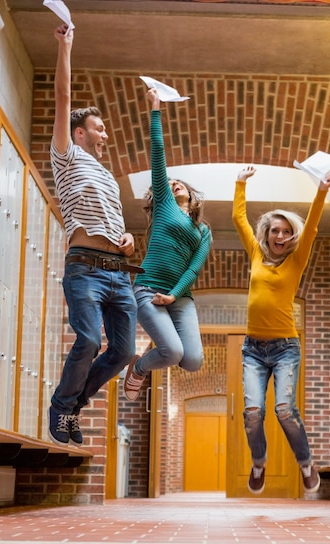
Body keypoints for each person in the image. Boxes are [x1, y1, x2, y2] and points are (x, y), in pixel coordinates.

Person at [48, 24, 139, 445]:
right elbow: (63, 98)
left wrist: (127, 239)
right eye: (98, 129)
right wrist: (66, 47)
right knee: (87, 338)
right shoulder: (67, 159)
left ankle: (73, 405)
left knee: (122, 351)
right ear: (80, 133)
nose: (105, 134)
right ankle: (62, 408)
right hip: (84, 269)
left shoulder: (105, 174)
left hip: (118, 272)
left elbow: (112, 219)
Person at [233, 164, 330, 495]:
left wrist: (321, 190)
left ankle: (306, 464)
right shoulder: (255, 254)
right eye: (275, 231)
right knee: (252, 412)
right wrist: (239, 184)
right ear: (267, 234)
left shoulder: (297, 260)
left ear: (292, 237)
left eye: (286, 232)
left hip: (285, 348)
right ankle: (259, 464)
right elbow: (239, 219)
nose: (280, 236)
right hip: (253, 349)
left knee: (284, 410)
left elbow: (313, 227)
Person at [123, 88, 212, 401]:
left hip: (180, 297)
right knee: (173, 352)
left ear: (191, 194)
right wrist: (156, 109)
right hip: (148, 288)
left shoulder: (204, 230)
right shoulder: (164, 205)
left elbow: (194, 267)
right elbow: (158, 154)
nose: (175, 184)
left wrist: (173, 295)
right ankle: (139, 368)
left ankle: (157, 348)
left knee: (193, 360)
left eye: (180, 183)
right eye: (171, 183)